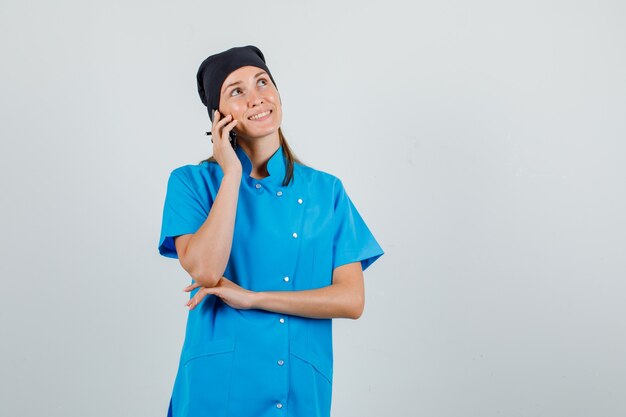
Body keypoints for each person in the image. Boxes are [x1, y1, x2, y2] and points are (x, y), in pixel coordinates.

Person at [158, 45, 384, 417]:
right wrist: (231, 172)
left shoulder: (326, 191)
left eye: (262, 82)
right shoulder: (192, 183)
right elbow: (204, 270)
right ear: (219, 116)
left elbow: (351, 300)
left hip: (297, 388)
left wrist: (253, 298)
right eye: (236, 91)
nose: (256, 97)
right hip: (216, 388)